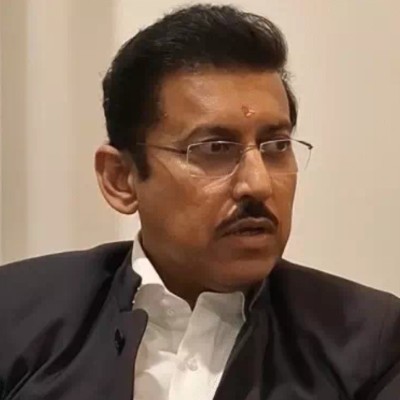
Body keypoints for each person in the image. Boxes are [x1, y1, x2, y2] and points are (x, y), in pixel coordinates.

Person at [0, 4, 399, 400]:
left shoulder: (368, 344)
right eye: (215, 149)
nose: (258, 184)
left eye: (276, 146)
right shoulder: (15, 316)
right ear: (121, 179)